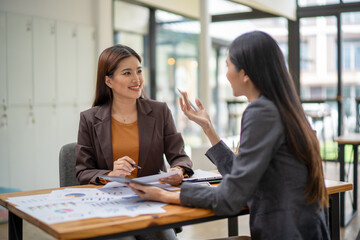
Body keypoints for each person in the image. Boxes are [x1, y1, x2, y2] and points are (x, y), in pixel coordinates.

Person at [129, 31, 330, 239]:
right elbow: (243, 176)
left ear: (245, 73)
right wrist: (208, 128)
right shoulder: (283, 107)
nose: (226, 74)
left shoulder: (261, 112)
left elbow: (230, 198)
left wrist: (165, 195)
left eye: (227, 66)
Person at [75, 44, 193, 240]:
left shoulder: (160, 111)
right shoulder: (89, 119)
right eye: (127, 73)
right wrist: (111, 174)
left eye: (138, 71)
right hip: (110, 206)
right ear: (108, 81)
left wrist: (178, 170)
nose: (136, 79)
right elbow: (82, 172)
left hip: (152, 201)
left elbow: (179, 156)